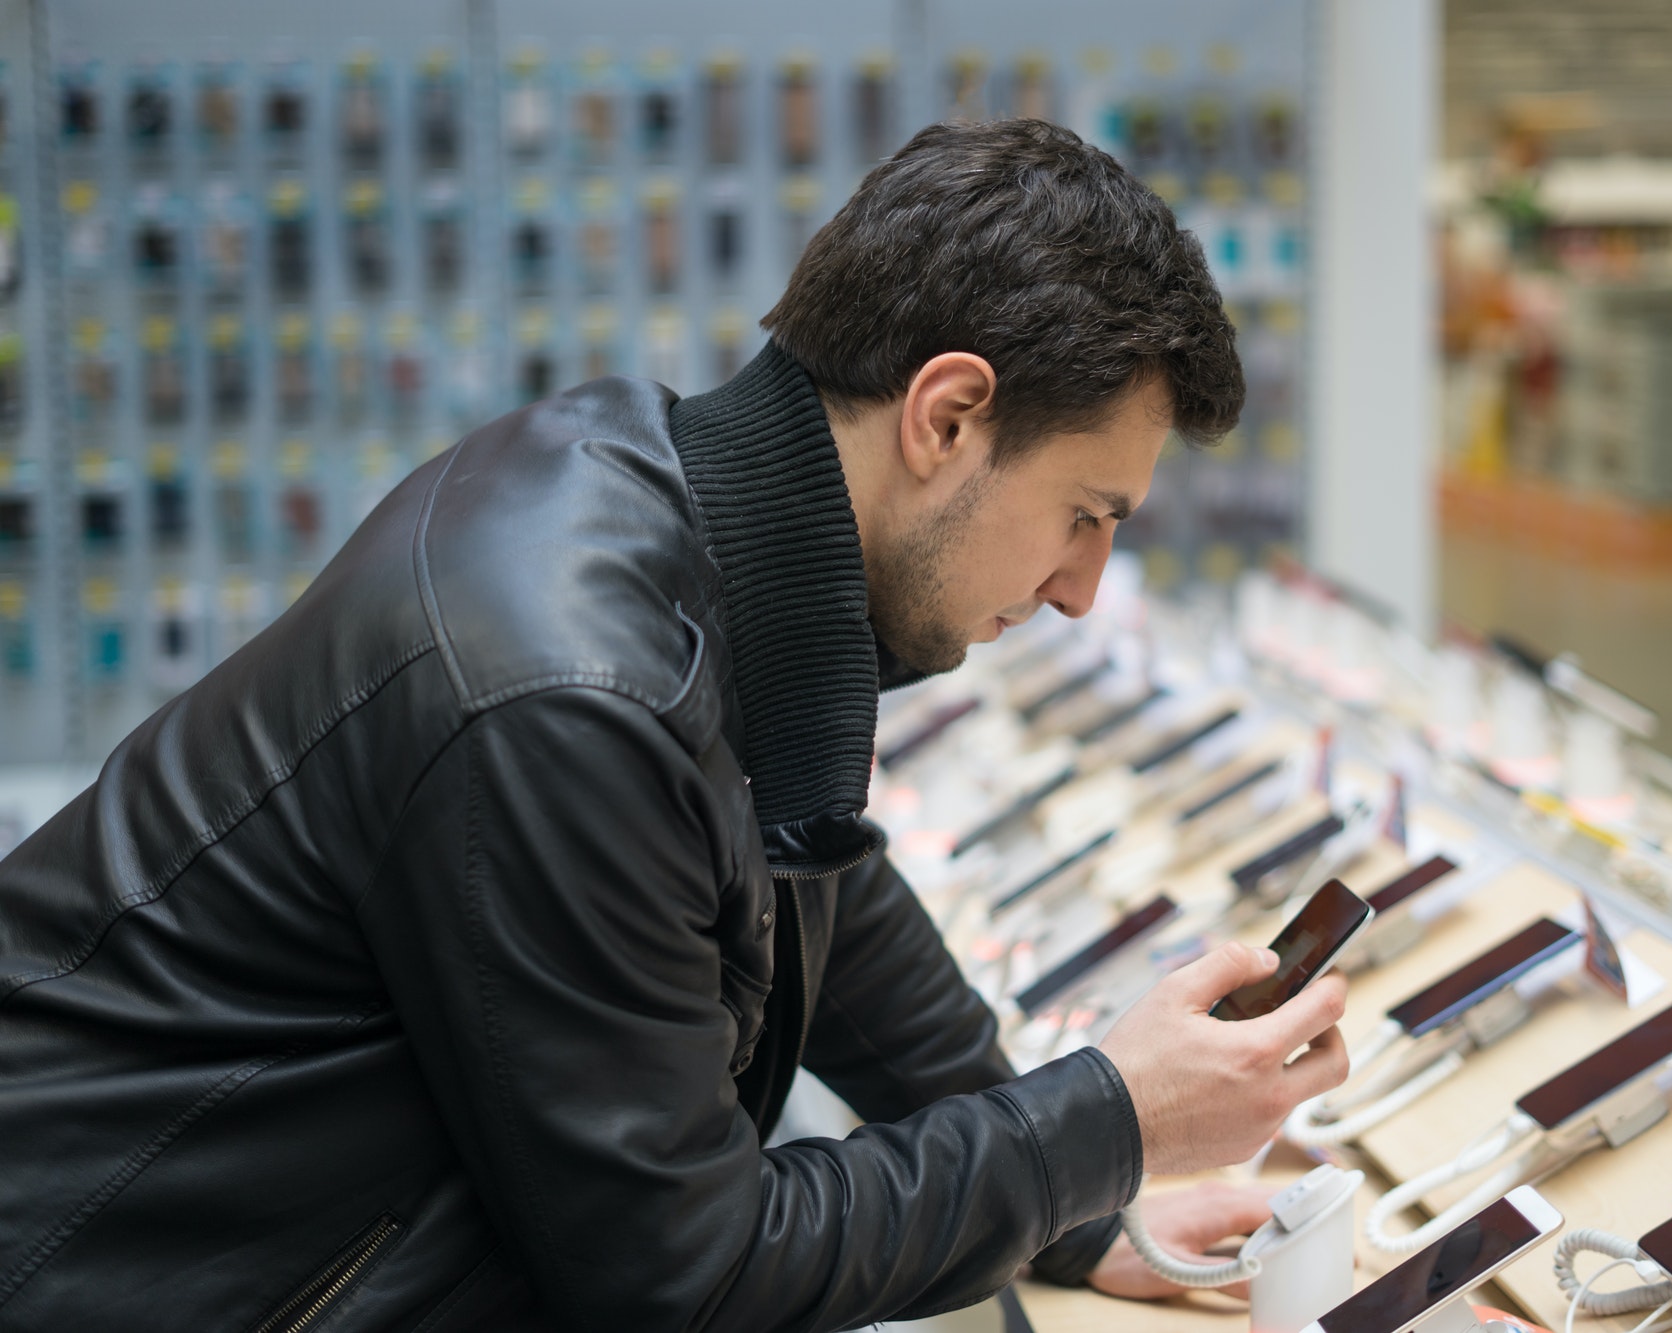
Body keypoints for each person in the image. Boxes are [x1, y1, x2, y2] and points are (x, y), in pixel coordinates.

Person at [0, 119, 1350, 1332]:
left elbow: (817, 879)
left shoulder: (693, 504)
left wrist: (1078, 1209)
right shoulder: (570, 700)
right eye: (1086, 514)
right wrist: (1101, 1126)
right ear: (947, 416)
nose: (1078, 590)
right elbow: (680, 1274)